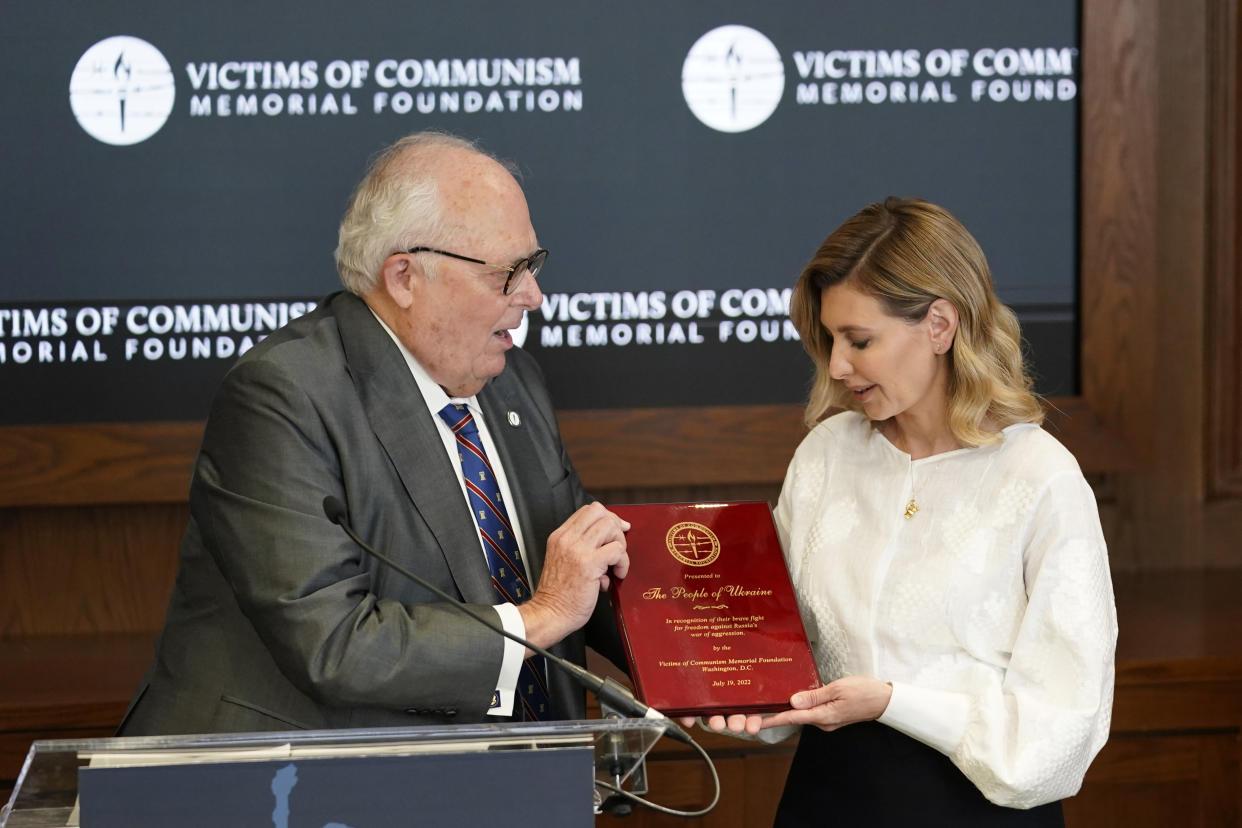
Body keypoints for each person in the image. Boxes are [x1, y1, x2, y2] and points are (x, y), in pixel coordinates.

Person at [118, 131, 630, 735]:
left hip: (493, 775)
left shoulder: (513, 381)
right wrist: (540, 618)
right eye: (508, 273)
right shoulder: (282, 395)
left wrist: (725, 668)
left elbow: (580, 572)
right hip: (285, 783)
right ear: (406, 277)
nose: (534, 296)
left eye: (534, 265)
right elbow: (334, 643)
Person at [700, 197, 1117, 825]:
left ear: (940, 325)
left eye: (859, 340)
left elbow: (1065, 729)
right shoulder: (825, 456)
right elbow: (780, 647)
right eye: (830, 339)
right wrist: (730, 694)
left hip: (975, 811)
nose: (837, 366)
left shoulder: (1041, 478)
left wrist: (894, 703)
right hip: (826, 800)